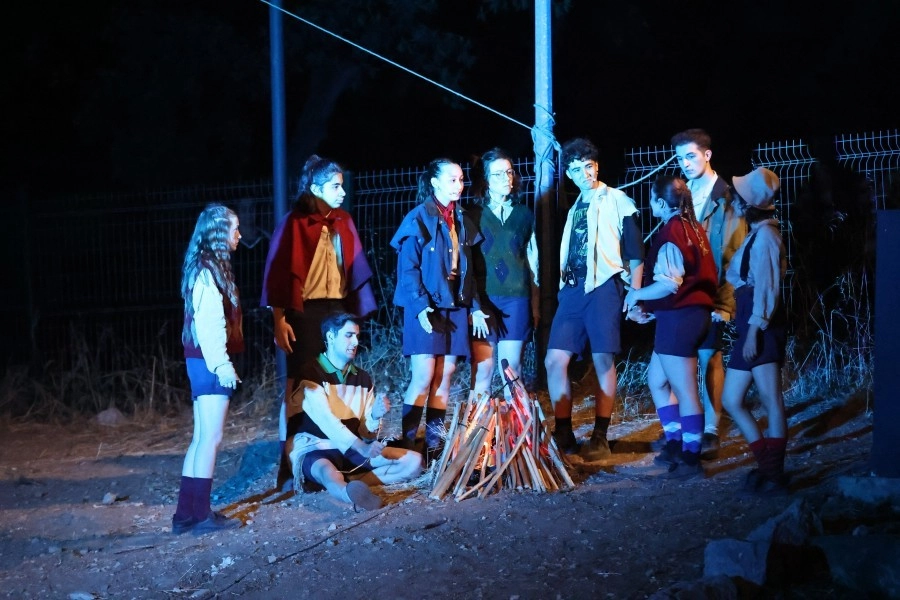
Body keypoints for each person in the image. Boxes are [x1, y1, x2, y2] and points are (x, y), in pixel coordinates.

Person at [261, 155, 377, 490]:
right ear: (315, 188)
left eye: (342, 185)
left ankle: (335, 452)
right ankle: (289, 464)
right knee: (298, 385)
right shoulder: (295, 223)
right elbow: (279, 273)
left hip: (336, 309)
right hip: (304, 312)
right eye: (335, 186)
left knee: (334, 379)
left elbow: (352, 270)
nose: (342, 192)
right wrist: (279, 320)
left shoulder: (342, 221)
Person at [546, 138, 645, 461]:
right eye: (576, 170)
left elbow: (635, 252)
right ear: (569, 174)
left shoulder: (617, 199)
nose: (583, 174)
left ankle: (600, 435)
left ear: (597, 166)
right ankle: (563, 432)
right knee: (554, 360)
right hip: (573, 288)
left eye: (588, 167)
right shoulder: (575, 205)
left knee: (603, 359)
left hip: (604, 286)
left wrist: (635, 293)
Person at [390, 158, 489, 462]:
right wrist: (421, 307)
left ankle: (434, 448)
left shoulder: (461, 218)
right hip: (426, 306)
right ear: (434, 182)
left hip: (454, 305)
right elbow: (408, 269)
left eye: (461, 179)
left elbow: (469, 272)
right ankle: (407, 446)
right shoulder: (419, 217)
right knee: (423, 376)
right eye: (452, 179)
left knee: (445, 376)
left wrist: (474, 307)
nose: (459, 185)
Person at [623, 176, 718, 478]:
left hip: (681, 319)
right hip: (686, 316)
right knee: (658, 380)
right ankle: (675, 443)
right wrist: (653, 309)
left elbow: (669, 283)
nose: (649, 204)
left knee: (686, 390)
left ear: (662, 203)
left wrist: (636, 294)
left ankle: (691, 457)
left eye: (652, 199)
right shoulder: (693, 228)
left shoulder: (673, 232)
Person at [285, 313, 423, 509]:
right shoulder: (310, 374)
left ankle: (354, 485)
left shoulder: (362, 378)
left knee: (414, 462)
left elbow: (367, 432)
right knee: (326, 471)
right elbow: (328, 422)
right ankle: (346, 493)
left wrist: (374, 416)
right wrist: (362, 448)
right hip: (314, 445)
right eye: (349, 335)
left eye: (357, 336)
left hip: (351, 448)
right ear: (330, 337)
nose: (356, 342)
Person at [669, 129, 748, 457]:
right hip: (684, 292)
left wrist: (725, 304)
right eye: (680, 158)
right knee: (681, 359)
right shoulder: (681, 194)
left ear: (707, 155)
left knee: (709, 355)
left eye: (691, 156)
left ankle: (712, 428)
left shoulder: (726, 198)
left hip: (711, 292)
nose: (685, 163)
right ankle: (688, 426)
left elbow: (734, 254)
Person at [172, 204, 244, 534]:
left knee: (201, 438)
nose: (238, 235)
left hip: (201, 360)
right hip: (209, 362)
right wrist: (223, 365)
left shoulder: (205, 267)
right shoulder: (207, 270)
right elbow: (210, 323)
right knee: (210, 439)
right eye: (234, 228)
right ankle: (200, 515)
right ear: (217, 233)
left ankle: (185, 515)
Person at [721, 168, 789, 495]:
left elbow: (767, 289)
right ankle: (766, 466)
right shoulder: (757, 235)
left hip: (761, 326)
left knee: (771, 399)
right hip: (750, 323)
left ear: (749, 205)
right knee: (731, 399)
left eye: (739, 199)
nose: (734, 202)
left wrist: (753, 331)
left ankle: (774, 473)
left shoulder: (767, 238)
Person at [468, 148, 539, 400]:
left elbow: (533, 261)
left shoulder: (524, 215)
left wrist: (535, 304)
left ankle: (518, 423)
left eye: (509, 172)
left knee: (511, 369)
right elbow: (466, 264)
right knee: (483, 369)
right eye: (498, 174)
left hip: (516, 298)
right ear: (485, 180)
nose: (506, 178)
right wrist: (472, 305)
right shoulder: (472, 215)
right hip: (483, 299)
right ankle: (479, 423)